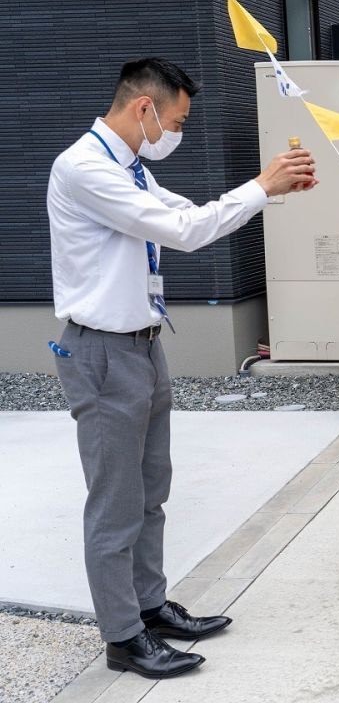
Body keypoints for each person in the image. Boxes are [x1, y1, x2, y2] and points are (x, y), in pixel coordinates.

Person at [47, 57, 317, 679]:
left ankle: (148, 605)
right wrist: (261, 186)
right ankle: (123, 636)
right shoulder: (84, 168)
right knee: (116, 502)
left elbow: (194, 214)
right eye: (177, 120)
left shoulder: (130, 166)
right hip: (103, 350)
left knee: (151, 492)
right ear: (144, 108)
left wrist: (264, 192)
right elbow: (184, 230)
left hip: (141, 343)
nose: (178, 133)